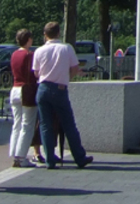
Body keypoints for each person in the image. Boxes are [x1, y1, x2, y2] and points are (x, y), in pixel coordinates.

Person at [32, 22, 93, 170]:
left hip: (43, 88)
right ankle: (79, 157)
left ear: (45, 35)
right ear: (58, 33)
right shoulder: (66, 48)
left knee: (45, 126)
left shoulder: (39, 51)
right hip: (60, 88)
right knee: (68, 124)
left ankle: (50, 159)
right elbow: (74, 68)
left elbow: (36, 72)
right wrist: (66, 78)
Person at [9, 29, 44, 167]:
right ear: (28, 39)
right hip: (26, 89)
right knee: (27, 125)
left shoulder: (14, 54)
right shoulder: (29, 55)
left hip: (15, 89)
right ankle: (21, 156)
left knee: (16, 124)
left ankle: (14, 153)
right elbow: (33, 74)